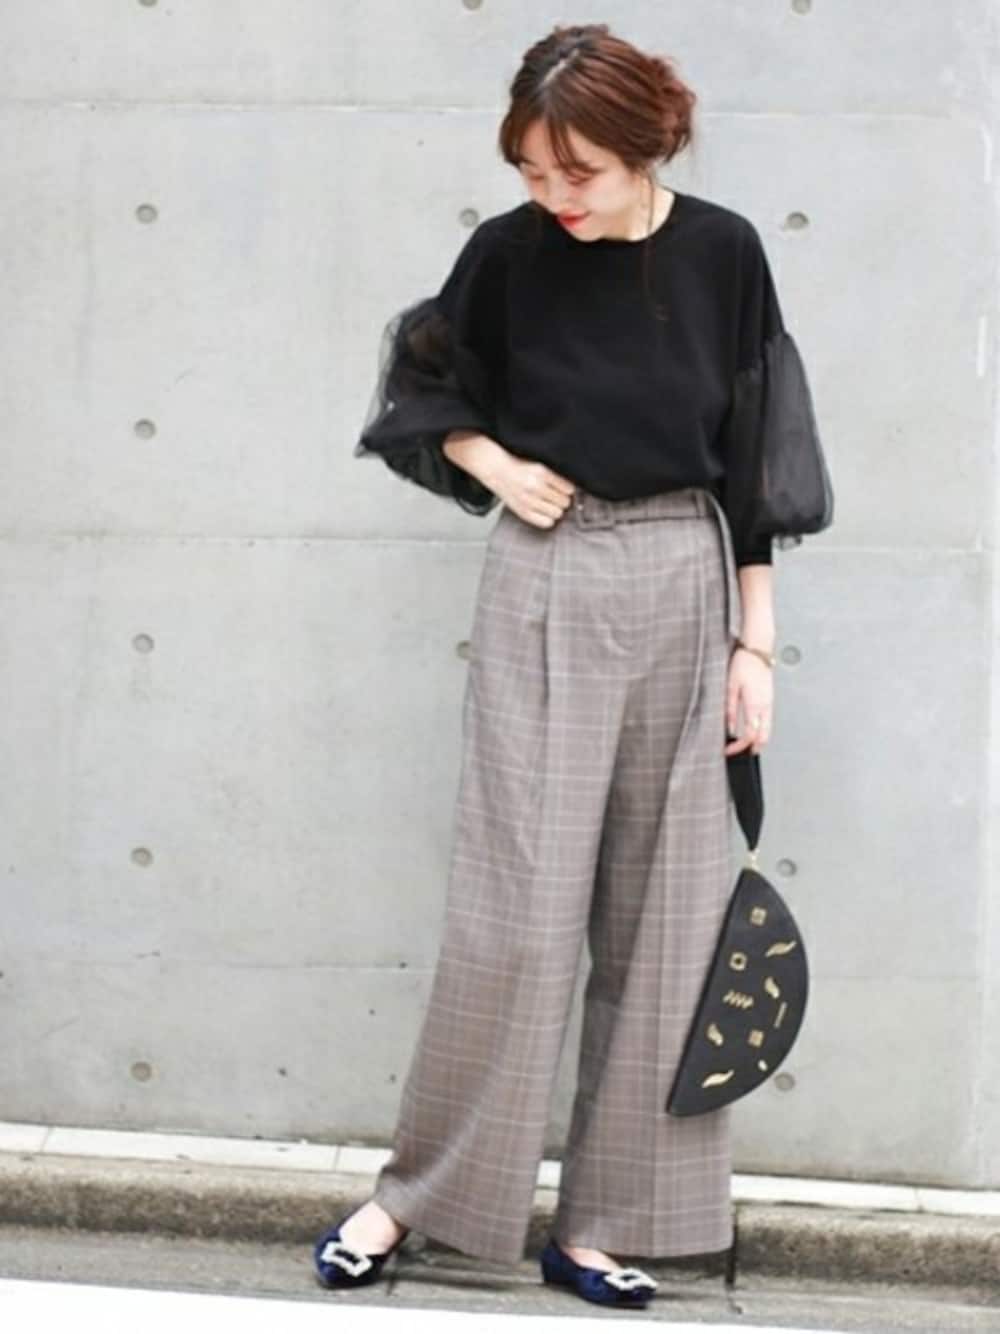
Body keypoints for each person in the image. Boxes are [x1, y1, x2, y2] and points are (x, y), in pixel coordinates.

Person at [313, 21, 833, 1310]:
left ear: (649, 147)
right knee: (517, 910)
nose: (556, 195)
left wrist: (755, 645)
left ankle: (606, 1223)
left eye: (579, 172)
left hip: (688, 577)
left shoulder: (724, 252)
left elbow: (758, 454)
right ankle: (420, 1198)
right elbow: (423, 390)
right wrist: (496, 465)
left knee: (670, 923)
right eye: (534, 170)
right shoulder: (509, 251)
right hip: (549, 573)